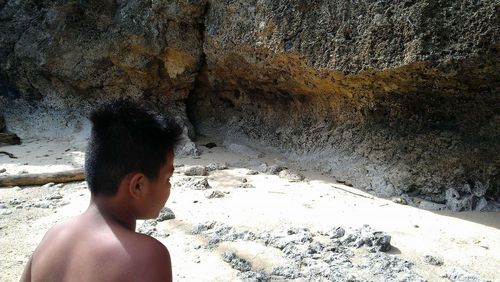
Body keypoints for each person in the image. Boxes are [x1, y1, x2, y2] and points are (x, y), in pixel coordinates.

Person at [21, 100, 183, 281]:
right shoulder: (147, 256)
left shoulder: (53, 235)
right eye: (168, 178)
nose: (170, 186)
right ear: (138, 186)